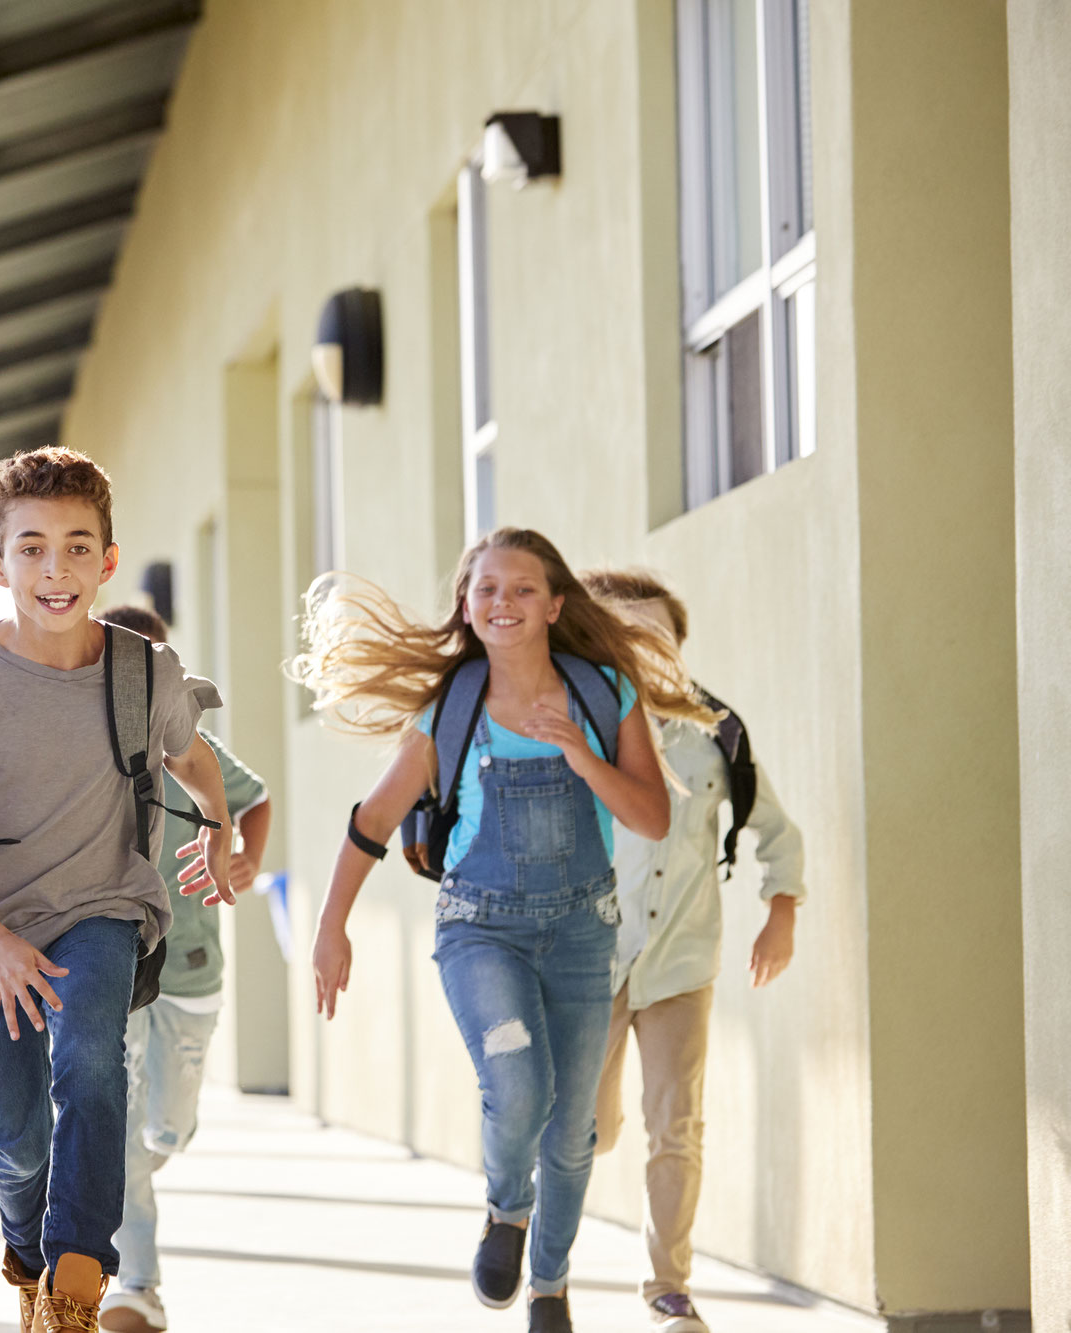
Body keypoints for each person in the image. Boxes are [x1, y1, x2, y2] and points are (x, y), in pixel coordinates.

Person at [293, 528, 709, 1333]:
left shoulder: (603, 692)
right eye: (486, 589)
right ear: (466, 604)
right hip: (480, 927)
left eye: (522, 589)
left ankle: (549, 1287)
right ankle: (506, 1212)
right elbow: (376, 817)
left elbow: (652, 816)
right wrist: (330, 924)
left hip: (584, 932)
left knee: (575, 1128)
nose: (503, 602)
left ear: (555, 604)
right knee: (518, 1084)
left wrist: (579, 754)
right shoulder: (450, 707)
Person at [0, 448, 235, 1333]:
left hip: (103, 905)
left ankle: (81, 1281)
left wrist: (222, 825)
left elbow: (192, 759)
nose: (57, 569)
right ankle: (30, 1262)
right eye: (33, 548)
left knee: (91, 1059)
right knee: (17, 1141)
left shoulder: (144, 672)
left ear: (108, 560)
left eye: (79, 547)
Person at [580, 569, 805, 1333]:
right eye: (628, 635)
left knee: (676, 1125)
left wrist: (781, 911)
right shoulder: (578, 728)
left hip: (683, 960)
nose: (648, 648)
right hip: (591, 962)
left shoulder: (719, 732)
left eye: (659, 634)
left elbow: (776, 830)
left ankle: (668, 1287)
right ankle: (549, 1258)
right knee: (589, 1128)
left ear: (678, 644)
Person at [90, 605, 271, 1333]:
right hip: (117, 962)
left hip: (193, 967)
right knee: (125, 1131)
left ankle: (144, 1164)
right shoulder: (82, 745)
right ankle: (138, 1285)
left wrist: (246, 855)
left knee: (168, 1128)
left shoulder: (192, 744)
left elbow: (254, 800)